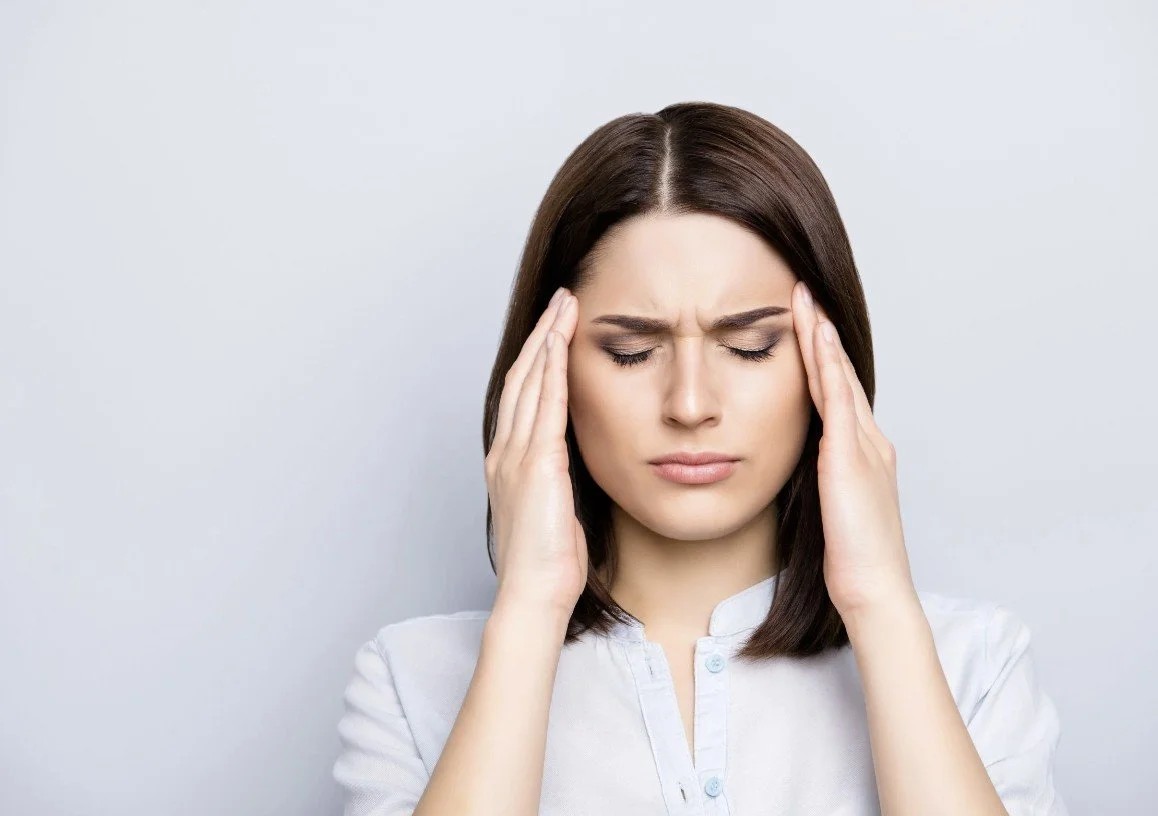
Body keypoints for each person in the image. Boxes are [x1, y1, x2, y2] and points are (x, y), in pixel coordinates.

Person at [331, 101, 1068, 815]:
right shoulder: (413, 681)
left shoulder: (972, 665)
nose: (690, 404)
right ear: (548, 366)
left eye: (749, 347)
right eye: (632, 351)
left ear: (828, 360)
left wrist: (878, 603)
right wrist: (530, 611)